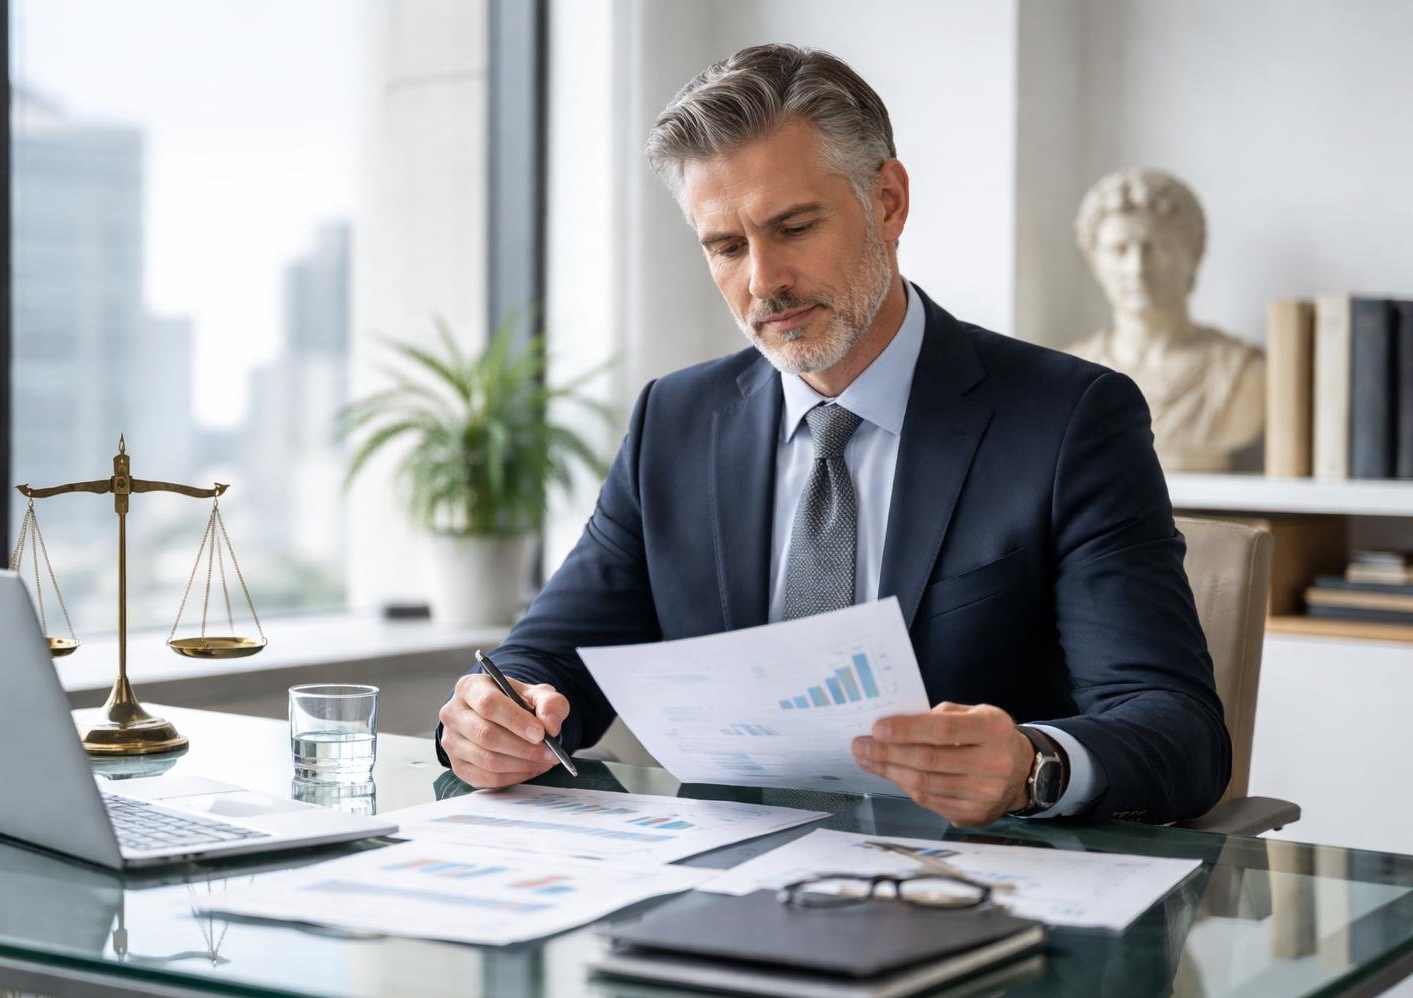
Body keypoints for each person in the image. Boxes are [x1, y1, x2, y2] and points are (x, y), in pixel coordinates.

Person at [436, 43, 1230, 826]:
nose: (762, 281)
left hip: (975, 899)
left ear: (887, 201)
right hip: (727, 903)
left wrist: (1034, 765)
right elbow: (544, 663)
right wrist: (492, 722)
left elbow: (1176, 727)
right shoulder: (673, 424)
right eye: (725, 246)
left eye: (794, 227)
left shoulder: (1069, 419)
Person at [1065, 168, 1265, 472]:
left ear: (1193, 255)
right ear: (1095, 262)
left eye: (1157, 247)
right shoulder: (1070, 373)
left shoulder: (1244, 373)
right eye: (1119, 250)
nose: (1137, 268)